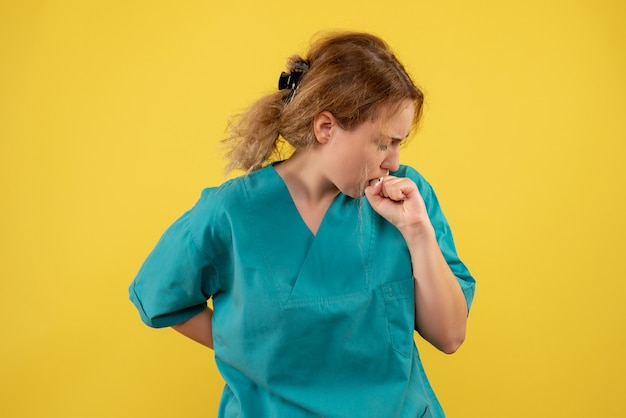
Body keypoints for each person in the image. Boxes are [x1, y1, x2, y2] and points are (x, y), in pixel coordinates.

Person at [129, 31, 476, 418]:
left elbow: (449, 336)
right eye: (382, 144)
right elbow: (160, 296)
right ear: (326, 128)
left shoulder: (408, 200)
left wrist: (417, 232)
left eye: (400, 144)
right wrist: (248, 350)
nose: (393, 162)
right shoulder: (234, 212)